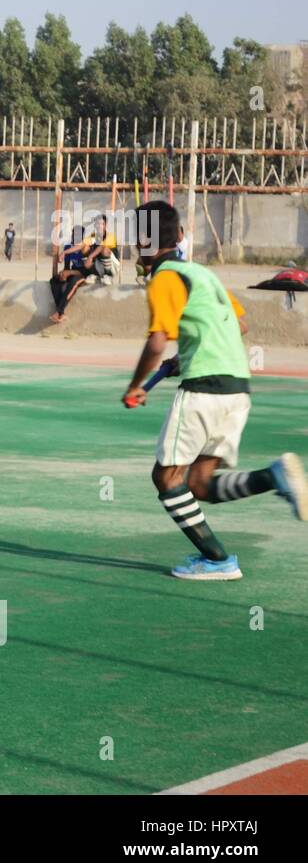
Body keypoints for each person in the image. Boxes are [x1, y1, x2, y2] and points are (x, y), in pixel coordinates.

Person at [122, 200, 304, 581]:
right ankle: (274, 477)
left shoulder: (165, 277)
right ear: (182, 236)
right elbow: (239, 327)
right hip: (237, 389)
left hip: (204, 389)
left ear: (143, 241)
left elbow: (157, 341)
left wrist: (137, 385)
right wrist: (183, 358)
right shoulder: (202, 274)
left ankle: (218, 559)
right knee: (201, 484)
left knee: (166, 478)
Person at [49, 225, 92, 323]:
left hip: (84, 274)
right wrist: (63, 273)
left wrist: (69, 272)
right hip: (73, 272)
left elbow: (87, 271)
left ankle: (59, 312)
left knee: (73, 282)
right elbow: (67, 267)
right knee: (54, 280)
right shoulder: (68, 246)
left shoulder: (85, 248)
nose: (75, 236)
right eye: (74, 233)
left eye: (78, 234)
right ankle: (61, 312)